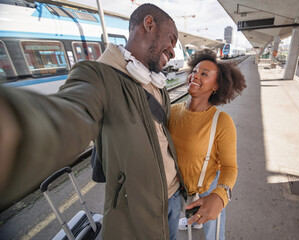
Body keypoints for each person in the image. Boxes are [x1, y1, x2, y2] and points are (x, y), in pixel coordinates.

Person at [0, 4, 186, 240]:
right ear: (149, 24)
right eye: (171, 40)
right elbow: (67, 115)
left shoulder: (155, 82)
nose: (173, 51)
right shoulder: (96, 76)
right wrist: (16, 129)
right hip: (139, 214)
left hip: (174, 196)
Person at [168, 49, 246, 239]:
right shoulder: (172, 111)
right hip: (178, 188)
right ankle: (192, 219)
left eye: (204, 74)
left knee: (215, 235)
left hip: (207, 187)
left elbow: (229, 167)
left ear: (216, 86)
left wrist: (220, 196)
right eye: (194, 71)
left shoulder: (222, 121)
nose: (195, 75)